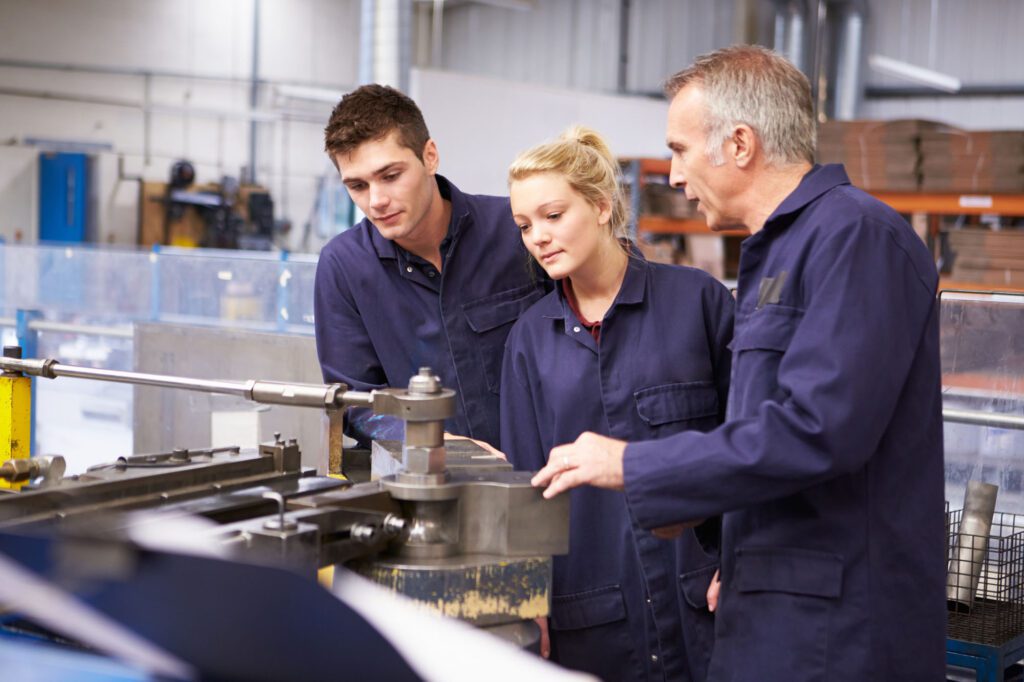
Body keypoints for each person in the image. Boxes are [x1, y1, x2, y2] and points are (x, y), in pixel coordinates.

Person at [531, 46, 946, 681]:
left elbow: (818, 430)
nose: (673, 175)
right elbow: (762, 436)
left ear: (741, 144)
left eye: (681, 150)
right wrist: (705, 521)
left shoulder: (856, 238)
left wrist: (634, 463)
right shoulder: (777, 253)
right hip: (771, 612)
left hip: (839, 633)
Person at [501, 126, 734, 681]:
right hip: (593, 615)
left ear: (602, 206)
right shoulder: (529, 341)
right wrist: (528, 604)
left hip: (706, 600)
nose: (539, 236)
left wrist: (741, 558)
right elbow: (525, 489)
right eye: (525, 225)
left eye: (553, 215)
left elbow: (751, 443)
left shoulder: (697, 302)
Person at [315, 84, 546, 449]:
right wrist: (436, 445)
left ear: (430, 156)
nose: (376, 201)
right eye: (358, 185)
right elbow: (355, 404)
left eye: (390, 176)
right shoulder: (343, 268)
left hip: (544, 473)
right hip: (426, 486)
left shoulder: (517, 230)